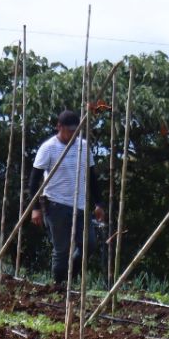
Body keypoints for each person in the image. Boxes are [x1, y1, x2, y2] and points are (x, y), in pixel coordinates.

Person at [29, 109, 105, 289]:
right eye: (69, 130)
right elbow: (34, 180)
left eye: (75, 130)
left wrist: (99, 203)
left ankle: (70, 276)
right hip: (55, 204)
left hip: (79, 205)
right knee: (61, 249)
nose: (73, 133)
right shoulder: (48, 148)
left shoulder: (83, 146)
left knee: (89, 244)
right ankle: (59, 284)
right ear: (59, 127)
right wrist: (35, 208)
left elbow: (92, 177)